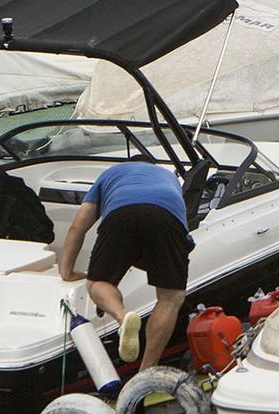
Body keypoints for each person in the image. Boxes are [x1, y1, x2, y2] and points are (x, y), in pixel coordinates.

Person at [56, 158, 191, 373]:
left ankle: (123, 316)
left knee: (97, 282)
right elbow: (177, 234)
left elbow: (76, 228)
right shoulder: (169, 177)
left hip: (121, 213)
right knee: (170, 298)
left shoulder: (110, 174)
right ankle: (145, 372)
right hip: (166, 217)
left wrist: (67, 271)